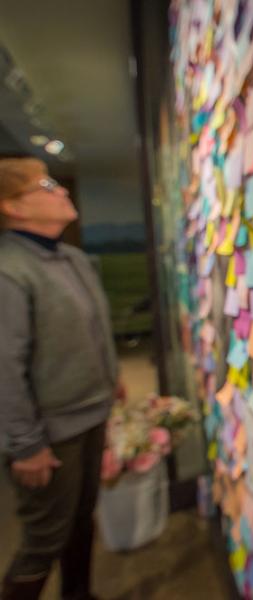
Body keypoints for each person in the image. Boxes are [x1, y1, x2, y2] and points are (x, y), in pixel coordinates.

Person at [0, 158, 124, 600]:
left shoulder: (71, 258)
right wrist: (26, 444)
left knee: (80, 519)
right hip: (51, 433)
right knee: (44, 540)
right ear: (13, 207)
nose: (62, 191)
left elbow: (92, 329)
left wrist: (112, 378)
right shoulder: (10, 270)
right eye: (47, 185)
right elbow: (5, 367)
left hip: (91, 412)